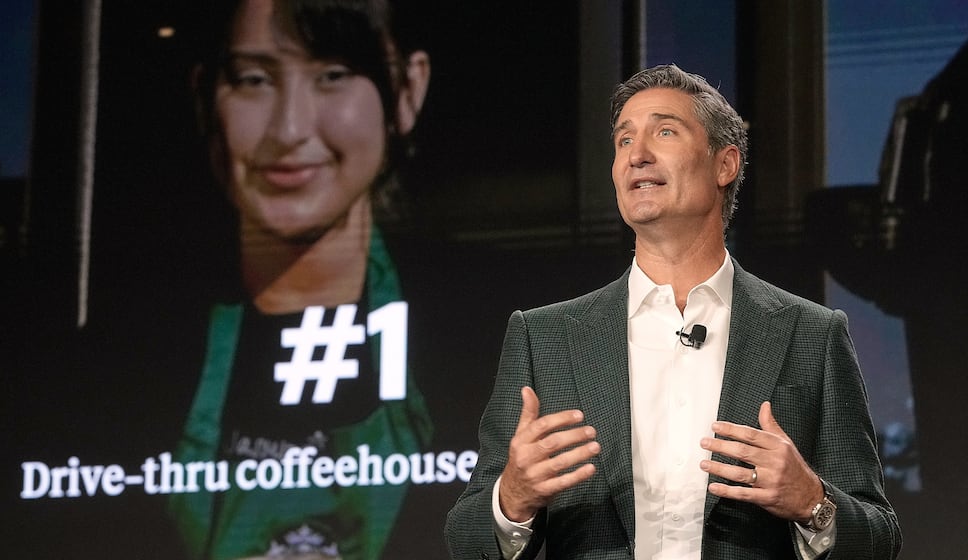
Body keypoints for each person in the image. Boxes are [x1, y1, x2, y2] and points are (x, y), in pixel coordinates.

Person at [445, 64, 901, 559]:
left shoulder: (812, 334)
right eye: (623, 141)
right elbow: (465, 539)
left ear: (725, 165)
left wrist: (813, 501)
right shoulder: (543, 337)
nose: (637, 155)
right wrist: (511, 500)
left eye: (664, 132)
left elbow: (878, 537)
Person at [169, 1, 433, 558]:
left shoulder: (490, 346)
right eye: (253, 80)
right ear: (202, 97)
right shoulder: (121, 358)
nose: (289, 129)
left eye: (333, 74)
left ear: (408, 90)